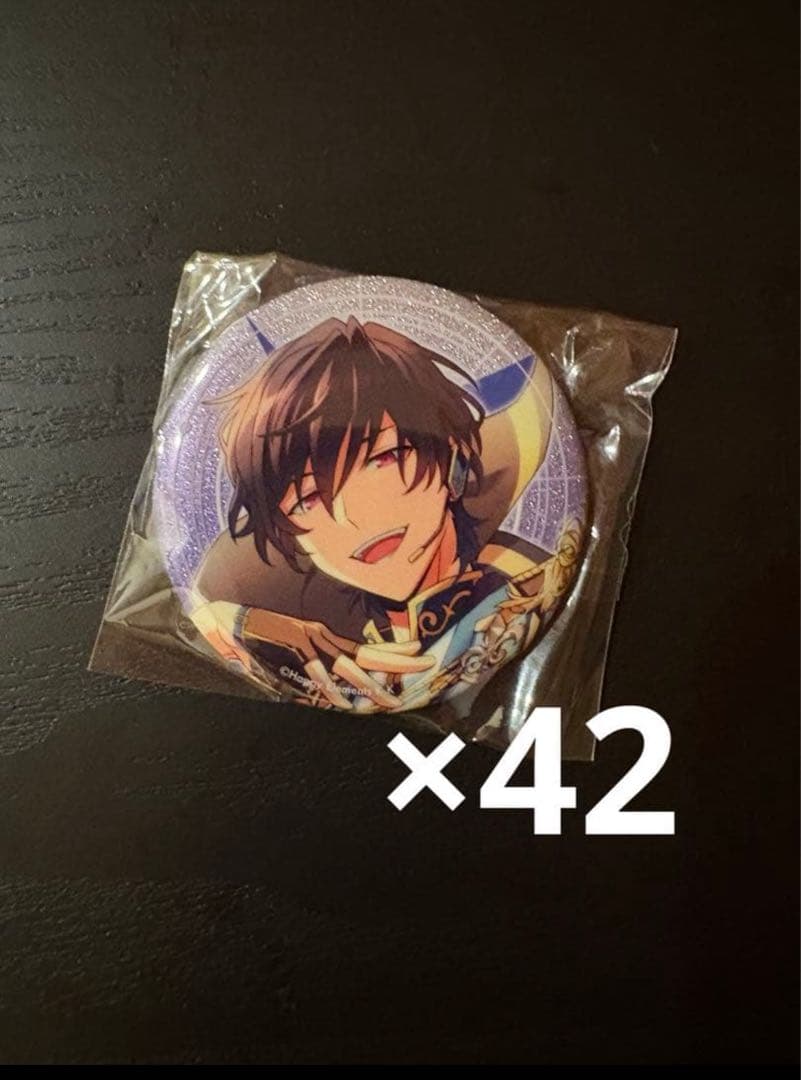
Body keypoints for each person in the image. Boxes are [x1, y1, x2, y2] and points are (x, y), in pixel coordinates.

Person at [189, 316, 581, 712]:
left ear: (454, 456)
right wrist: (252, 626)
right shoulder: (319, 603)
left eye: (384, 458)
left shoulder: (521, 581)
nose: (355, 519)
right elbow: (203, 601)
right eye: (307, 499)